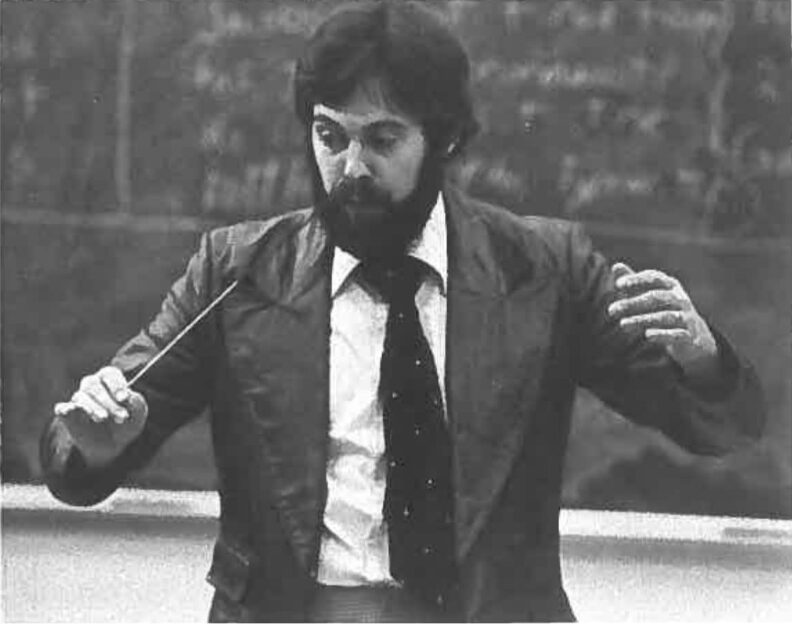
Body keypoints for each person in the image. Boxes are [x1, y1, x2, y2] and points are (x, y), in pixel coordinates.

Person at [41, 2, 765, 621]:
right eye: (330, 136)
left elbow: (721, 429)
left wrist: (703, 362)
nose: (351, 168)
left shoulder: (545, 270)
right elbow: (83, 451)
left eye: (382, 140)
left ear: (444, 138)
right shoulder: (237, 272)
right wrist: (93, 443)